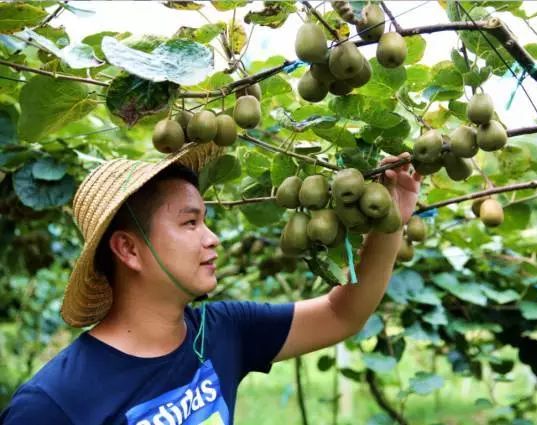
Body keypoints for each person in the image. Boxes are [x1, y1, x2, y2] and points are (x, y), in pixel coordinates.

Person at [0, 142, 421, 425]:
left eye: (206, 220)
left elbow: (341, 313)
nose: (211, 237)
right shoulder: (50, 403)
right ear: (128, 250)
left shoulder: (223, 330)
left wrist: (390, 225)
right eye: (190, 222)